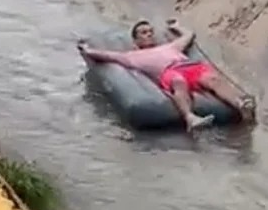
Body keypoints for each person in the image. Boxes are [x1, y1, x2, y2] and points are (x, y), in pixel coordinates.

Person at [77, 18, 256, 132]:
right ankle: (190, 118)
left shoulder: (170, 47)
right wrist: (87, 50)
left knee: (212, 79)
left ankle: (240, 104)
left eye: (150, 32)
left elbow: (189, 35)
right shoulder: (131, 57)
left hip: (190, 66)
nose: (149, 35)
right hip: (169, 72)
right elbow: (106, 55)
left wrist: (177, 27)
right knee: (178, 81)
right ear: (136, 40)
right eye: (143, 33)